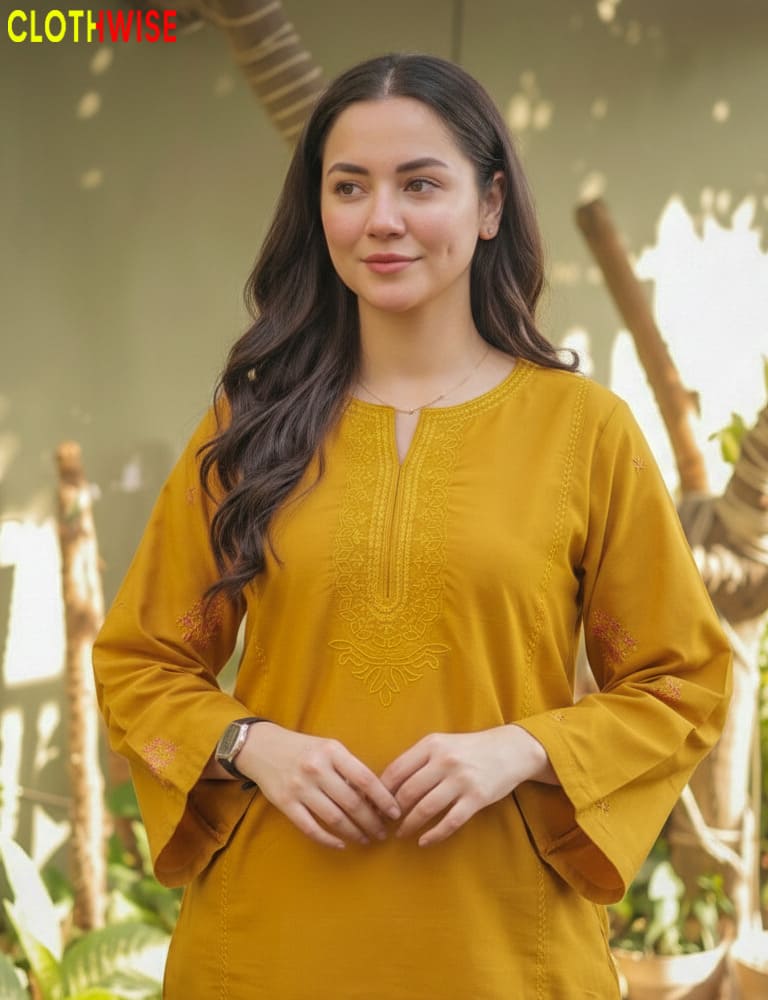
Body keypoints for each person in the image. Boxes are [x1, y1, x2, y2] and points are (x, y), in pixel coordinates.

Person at [92, 52, 732, 999]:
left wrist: (525, 747)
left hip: (505, 947)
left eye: (419, 183)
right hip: (267, 945)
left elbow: (682, 680)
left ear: (489, 206)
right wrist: (248, 742)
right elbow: (138, 662)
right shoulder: (249, 423)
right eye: (348, 186)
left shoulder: (583, 429)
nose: (380, 218)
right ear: (320, 211)